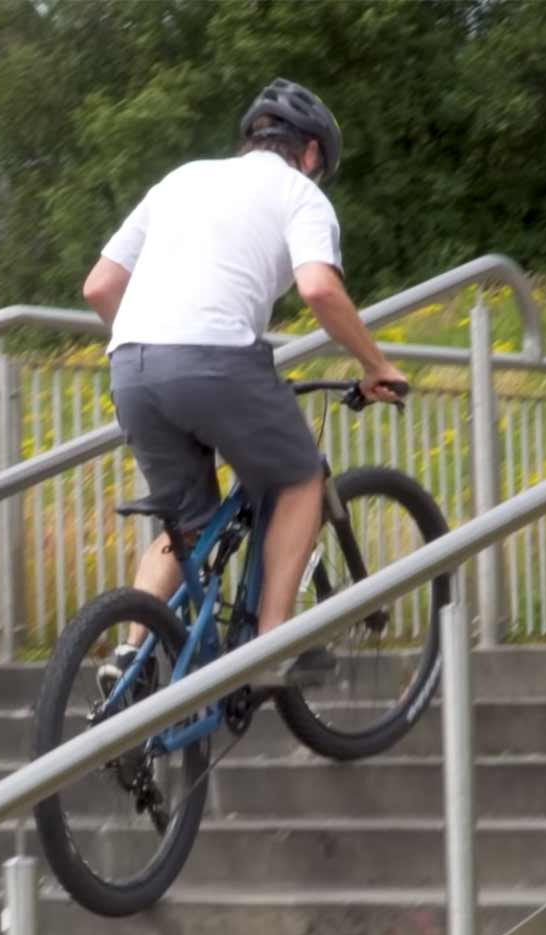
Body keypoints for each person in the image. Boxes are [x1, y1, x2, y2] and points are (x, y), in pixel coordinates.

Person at [82, 78, 407, 686]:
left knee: (186, 527)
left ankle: (129, 657)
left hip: (129, 360)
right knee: (301, 477)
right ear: (310, 154)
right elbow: (319, 289)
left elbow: (99, 286)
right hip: (215, 360)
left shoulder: (180, 179)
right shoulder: (300, 197)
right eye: (320, 165)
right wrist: (375, 365)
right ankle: (267, 649)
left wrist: (156, 347)